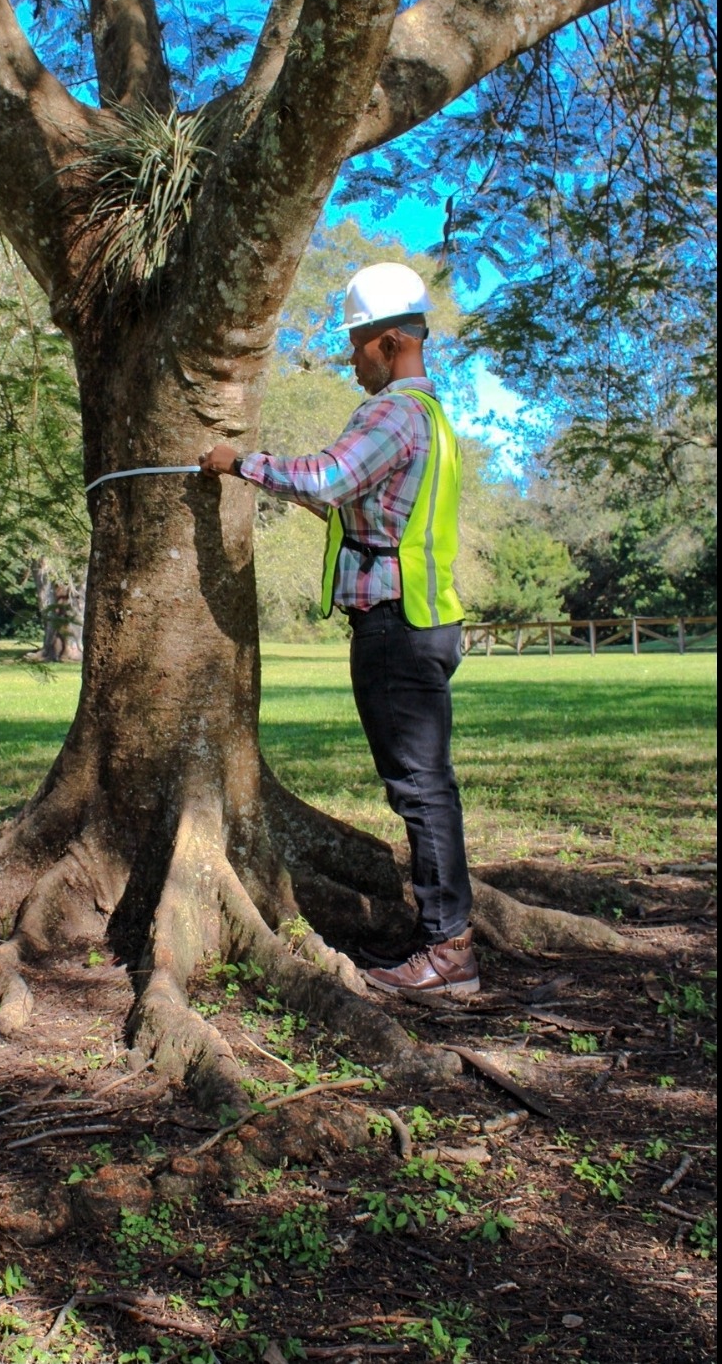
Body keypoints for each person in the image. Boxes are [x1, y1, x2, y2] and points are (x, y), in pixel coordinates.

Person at [200, 261, 478, 996]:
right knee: (426, 786)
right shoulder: (434, 419)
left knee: (419, 788)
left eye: (355, 344)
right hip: (424, 621)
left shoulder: (390, 413)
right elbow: (362, 507)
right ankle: (445, 937)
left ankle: (446, 951)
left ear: (388, 343)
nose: (349, 359)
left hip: (396, 626)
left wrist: (239, 462)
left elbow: (326, 478)